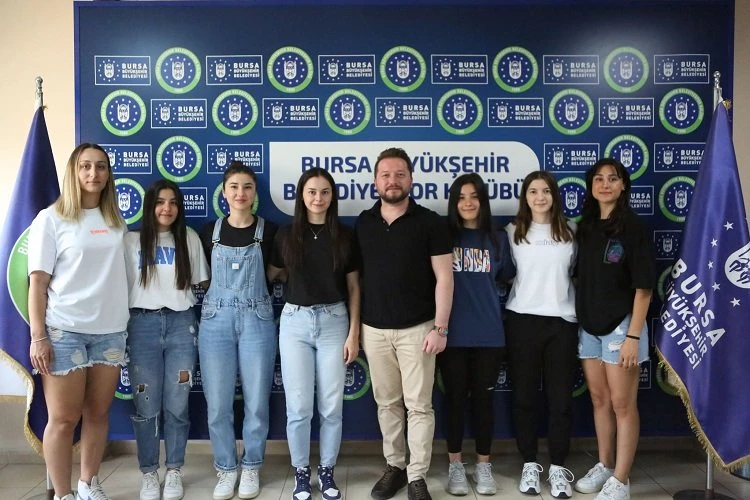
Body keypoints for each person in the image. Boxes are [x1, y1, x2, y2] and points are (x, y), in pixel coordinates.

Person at [27, 143, 128, 500]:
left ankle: (88, 483)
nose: (93, 173)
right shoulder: (51, 218)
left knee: (98, 414)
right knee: (64, 419)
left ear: (108, 174)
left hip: (110, 332)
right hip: (64, 331)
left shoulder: (116, 221)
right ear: (73, 171)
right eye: (85, 166)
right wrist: (38, 336)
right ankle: (63, 493)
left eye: (101, 167)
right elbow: (37, 283)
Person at [355, 147, 454, 500]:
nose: (392, 181)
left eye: (399, 174)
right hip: (374, 330)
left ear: (411, 179)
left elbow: (445, 278)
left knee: (419, 406)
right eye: (385, 175)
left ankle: (417, 476)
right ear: (375, 181)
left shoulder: (430, 222)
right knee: (387, 404)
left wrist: (440, 328)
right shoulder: (364, 223)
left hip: (419, 330)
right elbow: (356, 281)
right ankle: (395, 467)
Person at [268, 168, 360, 500]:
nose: (318, 198)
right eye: (311, 192)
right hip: (295, 322)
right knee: (299, 407)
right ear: (302, 196)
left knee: (331, 406)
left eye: (324, 192)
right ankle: (301, 472)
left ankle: (327, 470)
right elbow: (273, 273)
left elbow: (354, 287)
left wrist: (354, 333)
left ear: (332, 196)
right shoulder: (286, 235)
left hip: (335, 321)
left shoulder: (345, 236)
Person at [573, 159, 654, 500]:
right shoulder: (586, 227)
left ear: (623, 186)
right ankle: (605, 465)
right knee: (599, 399)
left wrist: (633, 336)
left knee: (622, 404)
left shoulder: (633, 227)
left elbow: (644, 288)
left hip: (622, 327)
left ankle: (621, 479)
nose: (605, 184)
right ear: (591, 185)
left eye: (612, 179)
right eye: (598, 179)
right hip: (589, 328)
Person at [197, 161, 278, 500]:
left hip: (257, 319)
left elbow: (274, 273)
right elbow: (201, 278)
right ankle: (226, 468)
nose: (240, 193)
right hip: (215, 321)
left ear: (255, 192)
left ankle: (252, 466)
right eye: (234, 186)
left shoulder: (270, 232)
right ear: (224, 192)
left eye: (247, 187)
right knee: (217, 403)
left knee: (257, 401)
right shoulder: (208, 233)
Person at [124, 179, 209, 500]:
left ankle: (174, 470)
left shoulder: (189, 238)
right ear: (150, 205)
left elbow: (203, 281)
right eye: (160, 202)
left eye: (173, 202)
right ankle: (149, 472)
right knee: (146, 405)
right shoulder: (130, 241)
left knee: (177, 404)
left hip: (181, 326)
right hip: (141, 325)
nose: (167, 208)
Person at [439, 173, 515, 497]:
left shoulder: (497, 239)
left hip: (489, 335)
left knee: (484, 402)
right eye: (461, 197)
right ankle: (455, 465)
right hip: (451, 334)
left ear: (483, 201)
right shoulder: (443, 237)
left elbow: (506, 276)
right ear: (453, 203)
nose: (468, 203)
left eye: (474, 196)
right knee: (455, 401)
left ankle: (484, 465)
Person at [504, 171, 578, 498]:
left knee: (560, 400)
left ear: (554, 196)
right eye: (533, 191)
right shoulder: (512, 232)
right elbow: (506, 274)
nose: (540, 197)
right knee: (524, 398)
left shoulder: (572, 231)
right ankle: (530, 464)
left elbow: (576, 272)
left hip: (561, 322)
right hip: (522, 321)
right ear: (525, 197)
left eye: (546, 191)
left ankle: (558, 467)